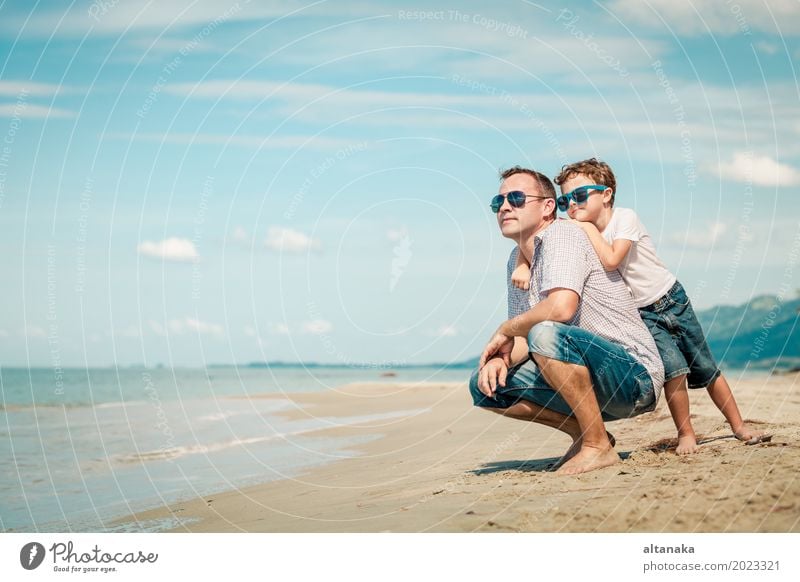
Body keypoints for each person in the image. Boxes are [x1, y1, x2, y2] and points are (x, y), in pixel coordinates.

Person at [513, 157, 768, 454]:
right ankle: (686, 434)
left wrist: (588, 231)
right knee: (674, 373)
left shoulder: (624, 219)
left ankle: (738, 426)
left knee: (706, 367)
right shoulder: (577, 231)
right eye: (565, 200)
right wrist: (522, 264)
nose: (572, 205)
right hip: (642, 314)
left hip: (671, 300)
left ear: (606, 194)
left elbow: (611, 259)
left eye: (580, 196)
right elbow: (540, 240)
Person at [470, 166, 664, 475]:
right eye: (499, 201)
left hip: (632, 376)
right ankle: (586, 434)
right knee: (486, 386)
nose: (505, 207)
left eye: (517, 198)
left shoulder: (562, 234)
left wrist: (505, 329)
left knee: (546, 333)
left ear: (548, 207)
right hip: (581, 373)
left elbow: (560, 308)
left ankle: (597, 445)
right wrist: (501, 359)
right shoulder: (514, 261)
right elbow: (522, 336)